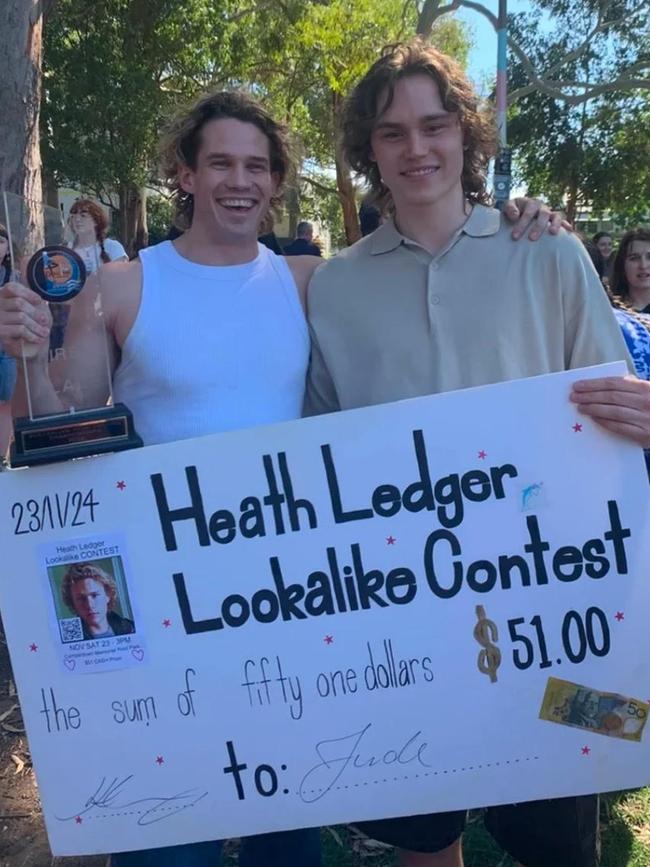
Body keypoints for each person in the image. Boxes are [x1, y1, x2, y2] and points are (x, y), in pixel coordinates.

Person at [0, 82, 569, 865]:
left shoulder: (307, 282)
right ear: (186, 173)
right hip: (173, 604)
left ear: (275, 181)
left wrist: (519, 217)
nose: (241, 181)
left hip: (292, 605)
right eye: (223, 163)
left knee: (291, 829)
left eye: (258, 166)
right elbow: (62, 411)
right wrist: (30, 349)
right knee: (171, 840)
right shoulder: (124, 285)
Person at [305, 38, 643, 867]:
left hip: (555, 609)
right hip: (404, 615)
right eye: (391, 132)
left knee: (560, 842)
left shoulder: (551, 255)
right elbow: (320, 453)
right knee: (426, 839)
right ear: (368, 150)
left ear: (466, 134)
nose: (416, 149)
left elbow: (613, 422)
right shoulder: (336, 286)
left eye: (433, 125)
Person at [61, 562, 135, 640]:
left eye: (94, 595)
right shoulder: (67, 638)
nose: (89, 605)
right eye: (81, 598)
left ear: (108, 596)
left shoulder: (131, 628)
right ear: (72, 603)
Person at [67, 198, 128, 274]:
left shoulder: (112, 247)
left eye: (83, 216)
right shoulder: (66, 251)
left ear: (96, 220)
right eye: (73, 216)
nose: (77, 219)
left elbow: (122, 278)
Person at [0, 224, 17, 456]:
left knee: (7, 404)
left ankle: (4, 454)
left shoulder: (16, 276)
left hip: (8, 350)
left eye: (1, 241)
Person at [609, 227, 650, 314]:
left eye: (649, 257)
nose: (643, 265)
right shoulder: (609, 310)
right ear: (622, 264)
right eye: (634, 258)